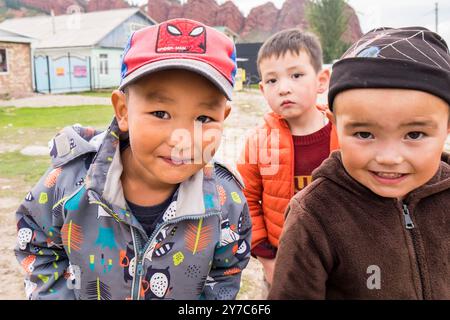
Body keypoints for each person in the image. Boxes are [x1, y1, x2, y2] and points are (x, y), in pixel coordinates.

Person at [14, 18, 252, 300]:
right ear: (123, 111)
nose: (183, 138)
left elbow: (226, 274)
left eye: (204, 118)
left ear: (223, 118)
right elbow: (36, 242)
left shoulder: (227, 202)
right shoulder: (69, 182)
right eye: (161, 113)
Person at [269, 26, 450, 299]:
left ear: (447, 128)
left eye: (414, 134)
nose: (388, 158)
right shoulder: (314, 214)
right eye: (364, 134)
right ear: (335, 125)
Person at [237, 28, 339, 286]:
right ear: (262, 89)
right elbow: (246, 200)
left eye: (296, 75)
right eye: (272, 81)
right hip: (283, 261)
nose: (283, 88)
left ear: (321, 80)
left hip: (340, 260)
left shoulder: (345, 135)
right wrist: (267, 259)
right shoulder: (259, 142)